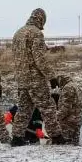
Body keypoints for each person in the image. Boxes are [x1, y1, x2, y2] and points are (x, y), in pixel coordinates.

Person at [11, 8, 64, 145]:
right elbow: (39, 59)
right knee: (48, 108)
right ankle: (57, 137)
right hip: (35, 80)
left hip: (21, 79)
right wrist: (51, 77)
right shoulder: (36, 34)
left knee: (23, 109)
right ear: (41, 19)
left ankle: (17, 138)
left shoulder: (18, 33)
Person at [56, 75, 82, 145]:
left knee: (67, 143)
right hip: (77, 119)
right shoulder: (76, 86)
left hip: (68, 122)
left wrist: (57, 117)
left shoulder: (67, 88)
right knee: (75, 143)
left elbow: (66, 107)